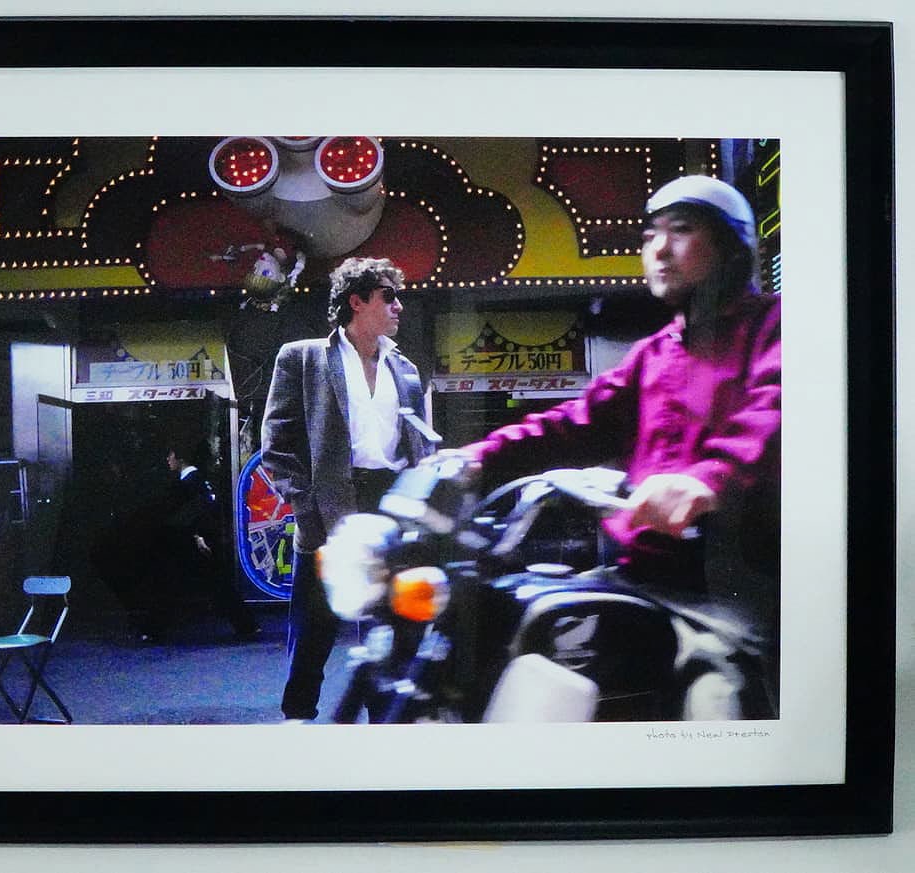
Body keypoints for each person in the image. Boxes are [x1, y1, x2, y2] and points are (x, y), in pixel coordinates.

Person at [460, 175, 781, 718]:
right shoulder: (654, 353)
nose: (659, 248)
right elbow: (574, 423)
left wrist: (707, 480)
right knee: (522, 629)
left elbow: (774, 413)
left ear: (731, 247)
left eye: (681, 231)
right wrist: (475, 456)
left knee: (717, 702)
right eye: (651, 234)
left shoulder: (775, 328)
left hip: (728, 592)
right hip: (636, 576)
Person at [261, 256, 432, 720]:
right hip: (328, 501)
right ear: (356, 302)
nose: (399, 306)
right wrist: (304, 504)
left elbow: (417, 442)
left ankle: (381, 720)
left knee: (387, 622)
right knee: (315, 622)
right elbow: (277, 442)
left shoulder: (407, 369)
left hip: (390, 502)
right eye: (388, 296)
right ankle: (298, 716)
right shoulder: (303, 356)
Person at [162, 446, 261, 641]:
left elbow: (193, 512)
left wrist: (197, 535)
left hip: (196, 540)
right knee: (217, 583)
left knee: (180, 582)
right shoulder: (200, 480)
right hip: (202, 539)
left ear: (180, 458)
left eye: (171, 455)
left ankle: (155, 628)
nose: (168, 459)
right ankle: (246, 624)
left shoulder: (189, 483)